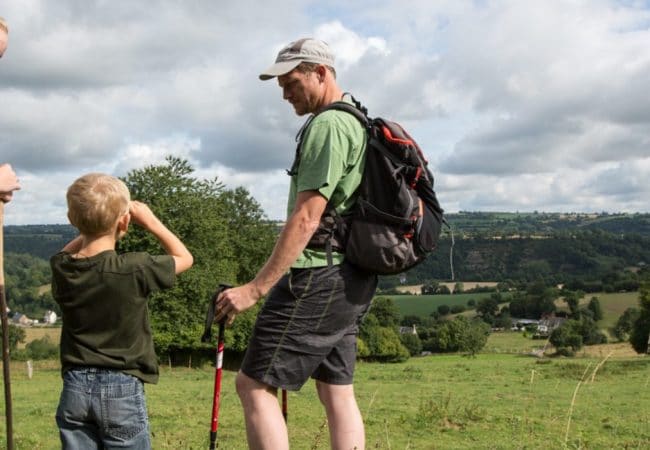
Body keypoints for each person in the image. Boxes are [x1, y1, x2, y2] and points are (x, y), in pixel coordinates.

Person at [215, 38, 378, 449]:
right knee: (336, 388)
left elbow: (307, 217)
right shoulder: (357, 118)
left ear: (320, 73)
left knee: (253, 384)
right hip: (351, 276)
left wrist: (254, 289)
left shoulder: (329, 125)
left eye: (290, 82)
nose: (285, 94)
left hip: (317, 275)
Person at [50, 173, 193, 449]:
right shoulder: (134, 267)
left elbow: (64, 253)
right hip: (122, 386)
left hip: (74, 387)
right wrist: (150, 221)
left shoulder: (62, 268)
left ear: (71, 220)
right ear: (125, 221)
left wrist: (87, 225)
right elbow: (185, 258)